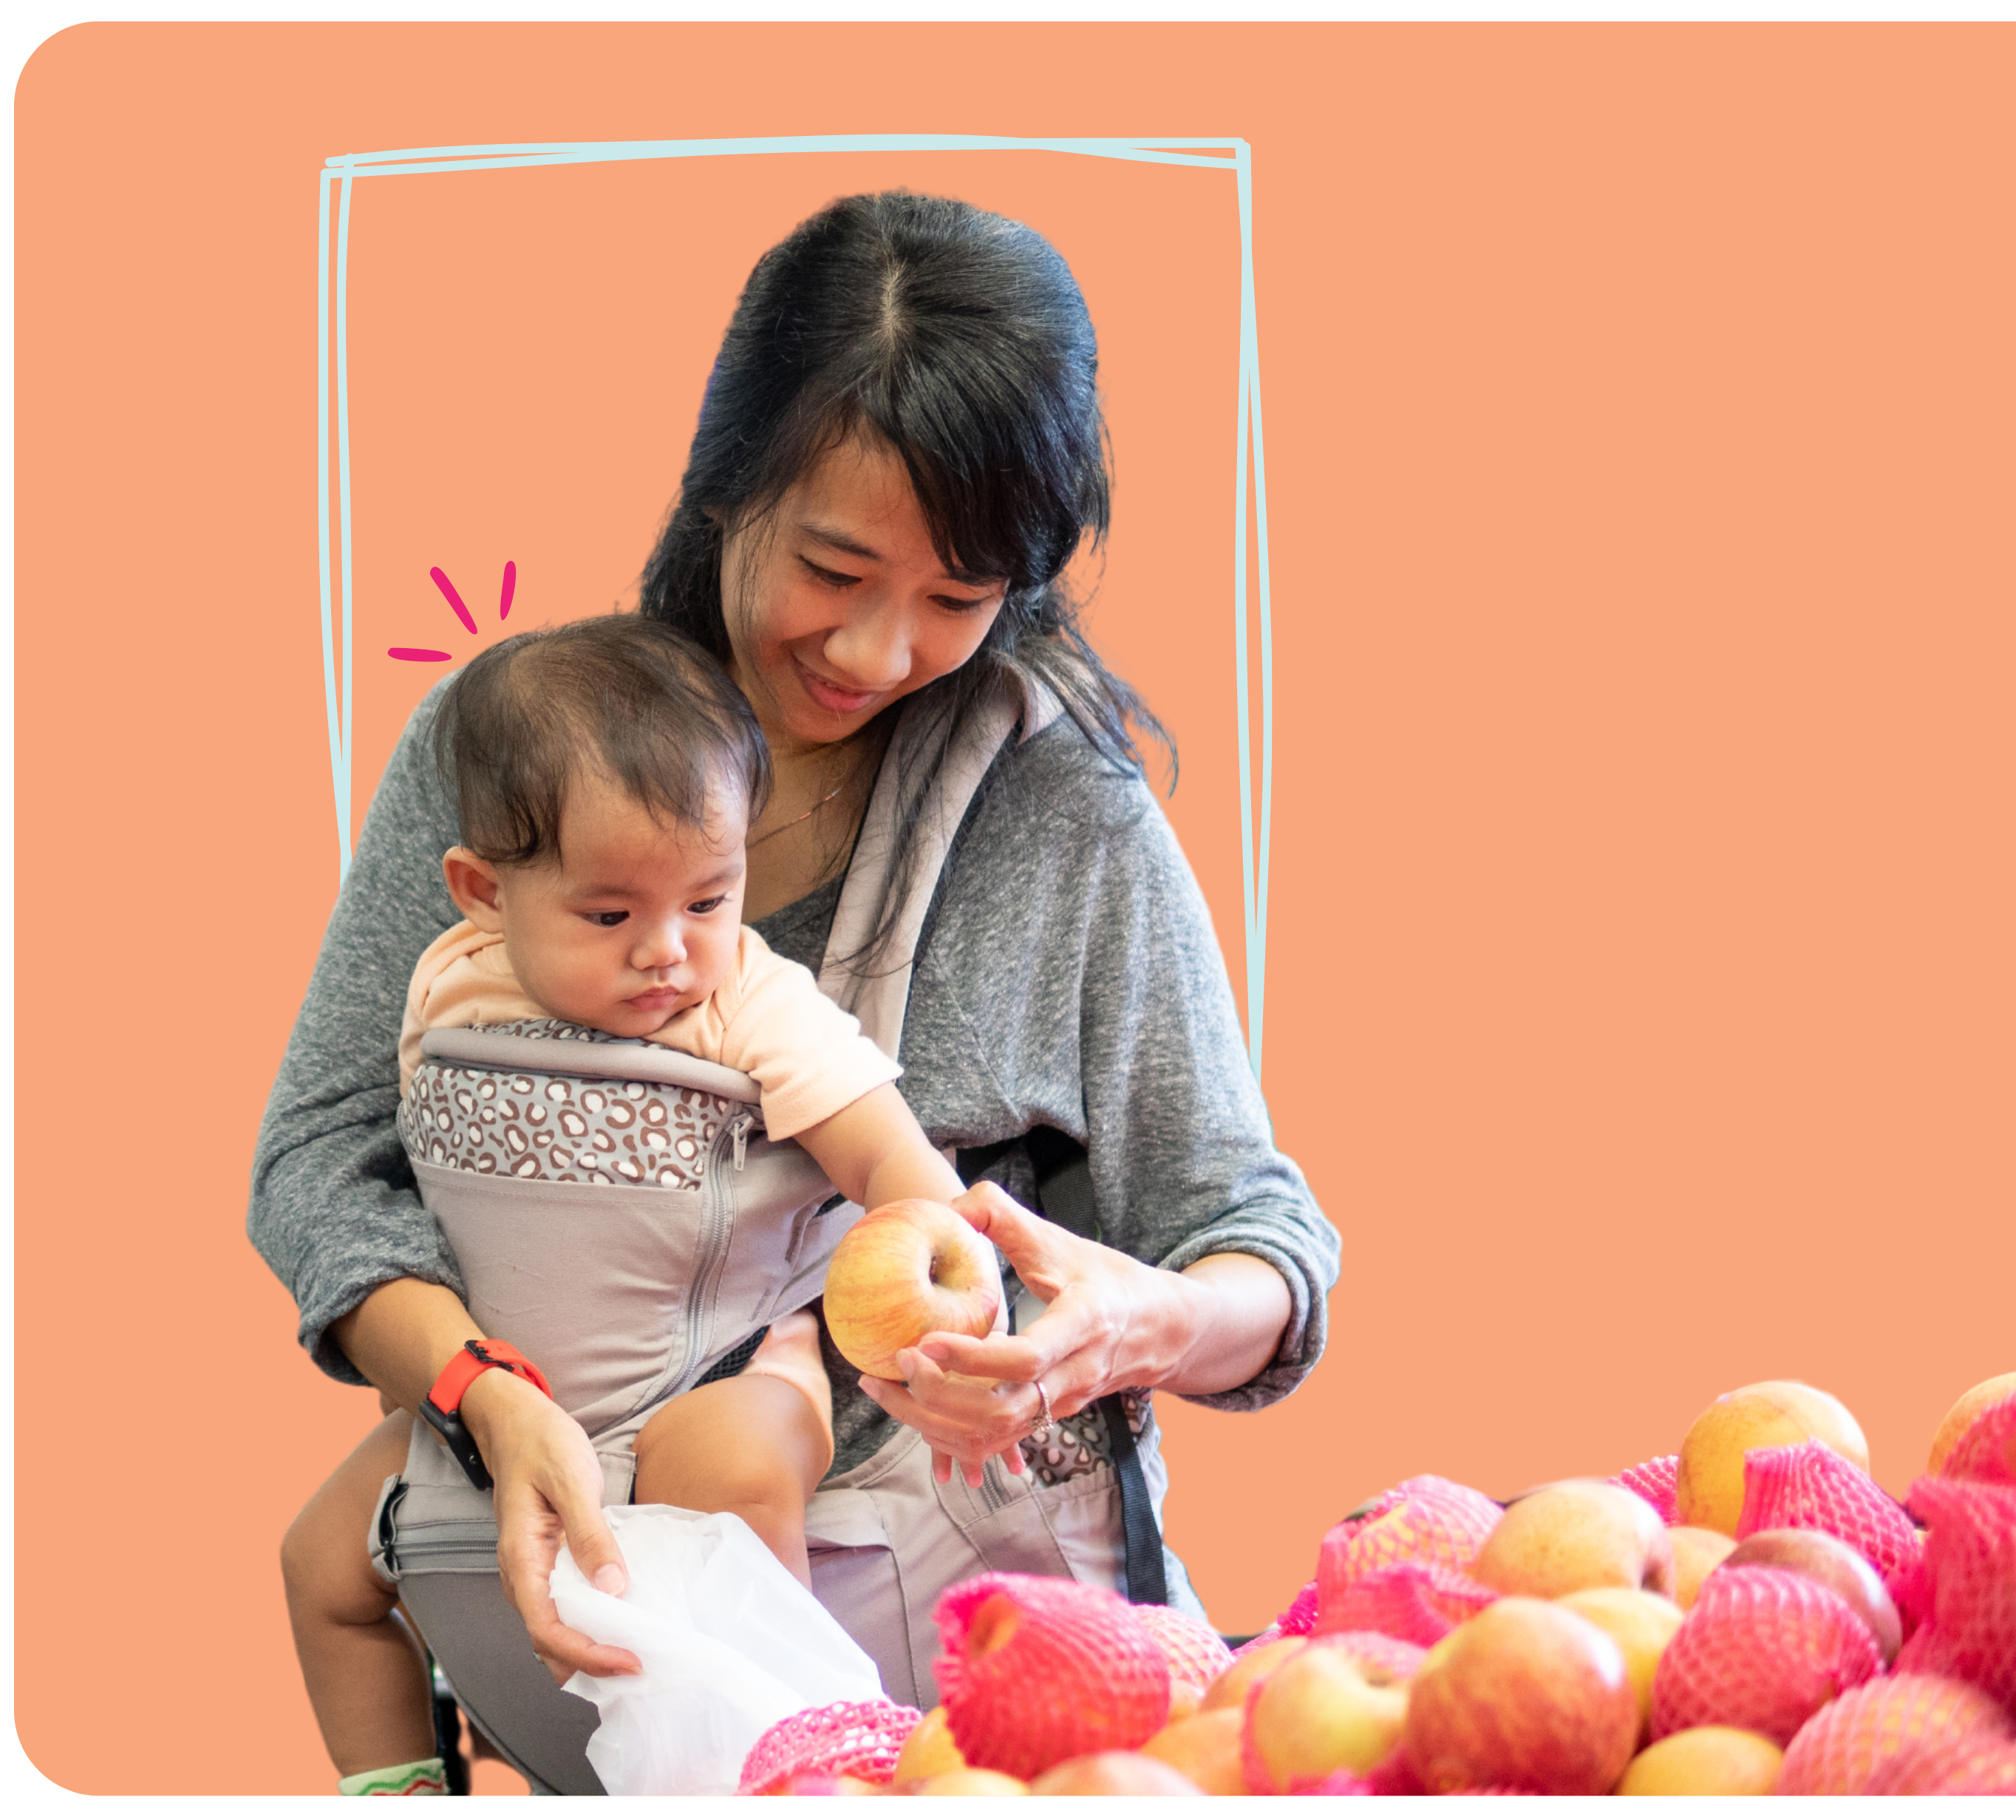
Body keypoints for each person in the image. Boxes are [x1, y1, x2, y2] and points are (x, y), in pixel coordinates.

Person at [252, 188, 1339, 1780]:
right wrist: (481, 1390)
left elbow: (1261, 1242)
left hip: (977, 1691)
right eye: (833, 567)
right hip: (556, 1550)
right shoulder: (516, 753)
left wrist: (1144, 1322)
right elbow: (318, 1155)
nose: (881, 650)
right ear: (723, 483)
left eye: (959, 599)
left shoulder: (1065, 821)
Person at [279, 614, 1001, 1794]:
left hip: (705, 1378)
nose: (669, 951)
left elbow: (899, 1172)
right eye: (610, 915)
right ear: (480, 892)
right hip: (500, 1396)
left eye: (709, 899)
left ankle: (788, 1752)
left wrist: (952, 1306)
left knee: (731, 1473)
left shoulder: (752, 1004)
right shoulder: (447, 982)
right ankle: (397, 1782)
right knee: (320, 1562)